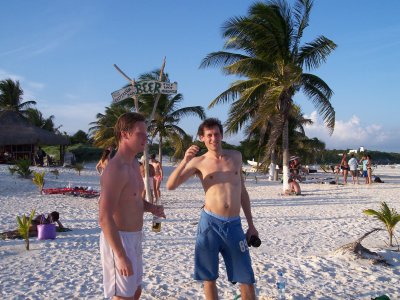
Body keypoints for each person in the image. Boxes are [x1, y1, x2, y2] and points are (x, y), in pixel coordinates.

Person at [166, 118, 258, 300]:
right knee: (209, 277)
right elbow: (170, 185)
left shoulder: (236, 157)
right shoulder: (198, 162)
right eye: (209, 135)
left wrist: (251, 225)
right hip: (210, 224)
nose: (213, 138)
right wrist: (185, 160)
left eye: (216, 134)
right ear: (202, 138)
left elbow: (243, 193)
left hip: (234, 225)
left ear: (221, 135)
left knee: (246, 276)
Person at [98, 112, 165, 300]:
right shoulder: (115, 170)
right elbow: (104, 218)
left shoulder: (135, 164)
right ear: (124, 134)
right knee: (122, 296)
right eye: (140, 134)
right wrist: (120, 256)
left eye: (146, 133)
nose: (146, 138)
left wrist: (151, 208)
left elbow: (133, 200)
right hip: (119, 239)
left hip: (135, 237)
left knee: (135, 292)